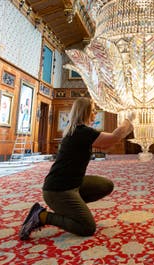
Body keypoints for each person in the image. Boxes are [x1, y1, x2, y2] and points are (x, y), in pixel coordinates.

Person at [19, 97, 133, 240]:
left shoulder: (79, 131)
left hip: (71, 184)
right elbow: (113, 138)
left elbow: (108, 145)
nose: (95, 114)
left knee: (106, 185)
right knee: (87, 227)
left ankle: (71, 208)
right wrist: (128, 119)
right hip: (58, 191)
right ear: (84, 112)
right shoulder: (82, 132)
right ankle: (41, 216)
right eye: (92, 111)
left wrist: (127, 127)